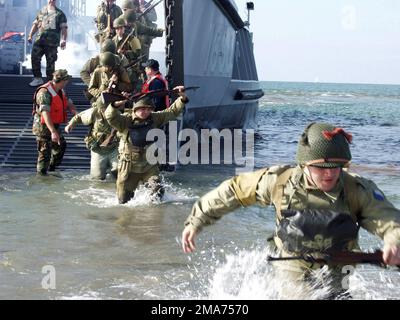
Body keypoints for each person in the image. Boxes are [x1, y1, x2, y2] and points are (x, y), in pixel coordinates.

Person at [181, 122, 400, 297]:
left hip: (338, 266)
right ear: (304, 164)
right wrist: (197, 220)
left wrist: (394, 240)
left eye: (336, 167)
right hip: (292, 263)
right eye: (321, 168)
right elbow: (233, 191)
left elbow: (387, 218)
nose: (329, 174)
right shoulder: (279, 181)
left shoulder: (356, 189)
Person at [105, 86, 188, 204]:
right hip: (129, 168)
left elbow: (172, 112)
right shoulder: (125, 121)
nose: (146, 112)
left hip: (149, 166)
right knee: (123, 202)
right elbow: (110, 116)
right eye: (142, 109)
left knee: (157, 192)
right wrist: (115, 104)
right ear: (135, 110)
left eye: (148, 109)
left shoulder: (155, 118)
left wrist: (182, 98)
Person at [32, 69, 77, 175]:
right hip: (43, 128)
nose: (67, 83)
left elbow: (68, 103)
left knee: (61, 145)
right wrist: (53, 132)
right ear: (62, 80)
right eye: (66, 80)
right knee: (44, 153)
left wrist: (76, 114)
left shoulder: (60, 90)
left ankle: (52, 168)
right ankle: (42, 177)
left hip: (55, 125)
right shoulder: (44, 92)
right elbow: (45, 113)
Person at [65, 98, 118, 180]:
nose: (106, 111)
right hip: (98, 149)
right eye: (104, 109)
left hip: (115, 148)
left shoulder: (118, 113)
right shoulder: (93, 112)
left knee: (120, 172)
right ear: (100, 108)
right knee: (97, 177)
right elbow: (78, 117)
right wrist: (70, 125)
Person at [27, 0, 68, 87]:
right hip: (39, 41)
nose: (51, 0)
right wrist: (30, 35)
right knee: (34, 58)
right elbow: (35, 24)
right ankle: (37, 78)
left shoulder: (60, 14)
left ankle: (49, 82)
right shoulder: (42, 11)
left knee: (50, 62)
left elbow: (64, 28)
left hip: (51, 43)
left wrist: (63, 40)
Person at [112, 17, 142, 90]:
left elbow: (138, 54)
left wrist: (125, 52)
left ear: (124, 28)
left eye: (121, 28)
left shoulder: (131, 39)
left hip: (130, 67)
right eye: (117, 29)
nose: (119, 31)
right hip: (118, 67)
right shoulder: (113, 40)